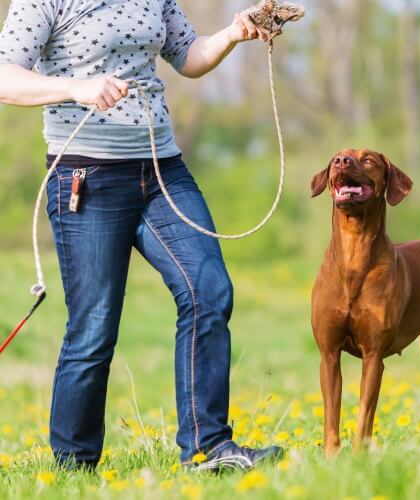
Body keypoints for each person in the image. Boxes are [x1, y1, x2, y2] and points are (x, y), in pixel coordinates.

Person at [0, 0, 283, 472]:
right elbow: (5, 76)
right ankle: (73, 467)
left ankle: (207, 448)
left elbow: (188, 55)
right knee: (94, 328)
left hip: (161, 171)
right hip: (85, 175)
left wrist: (233, 33)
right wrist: (77, 88)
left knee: (209, 290)